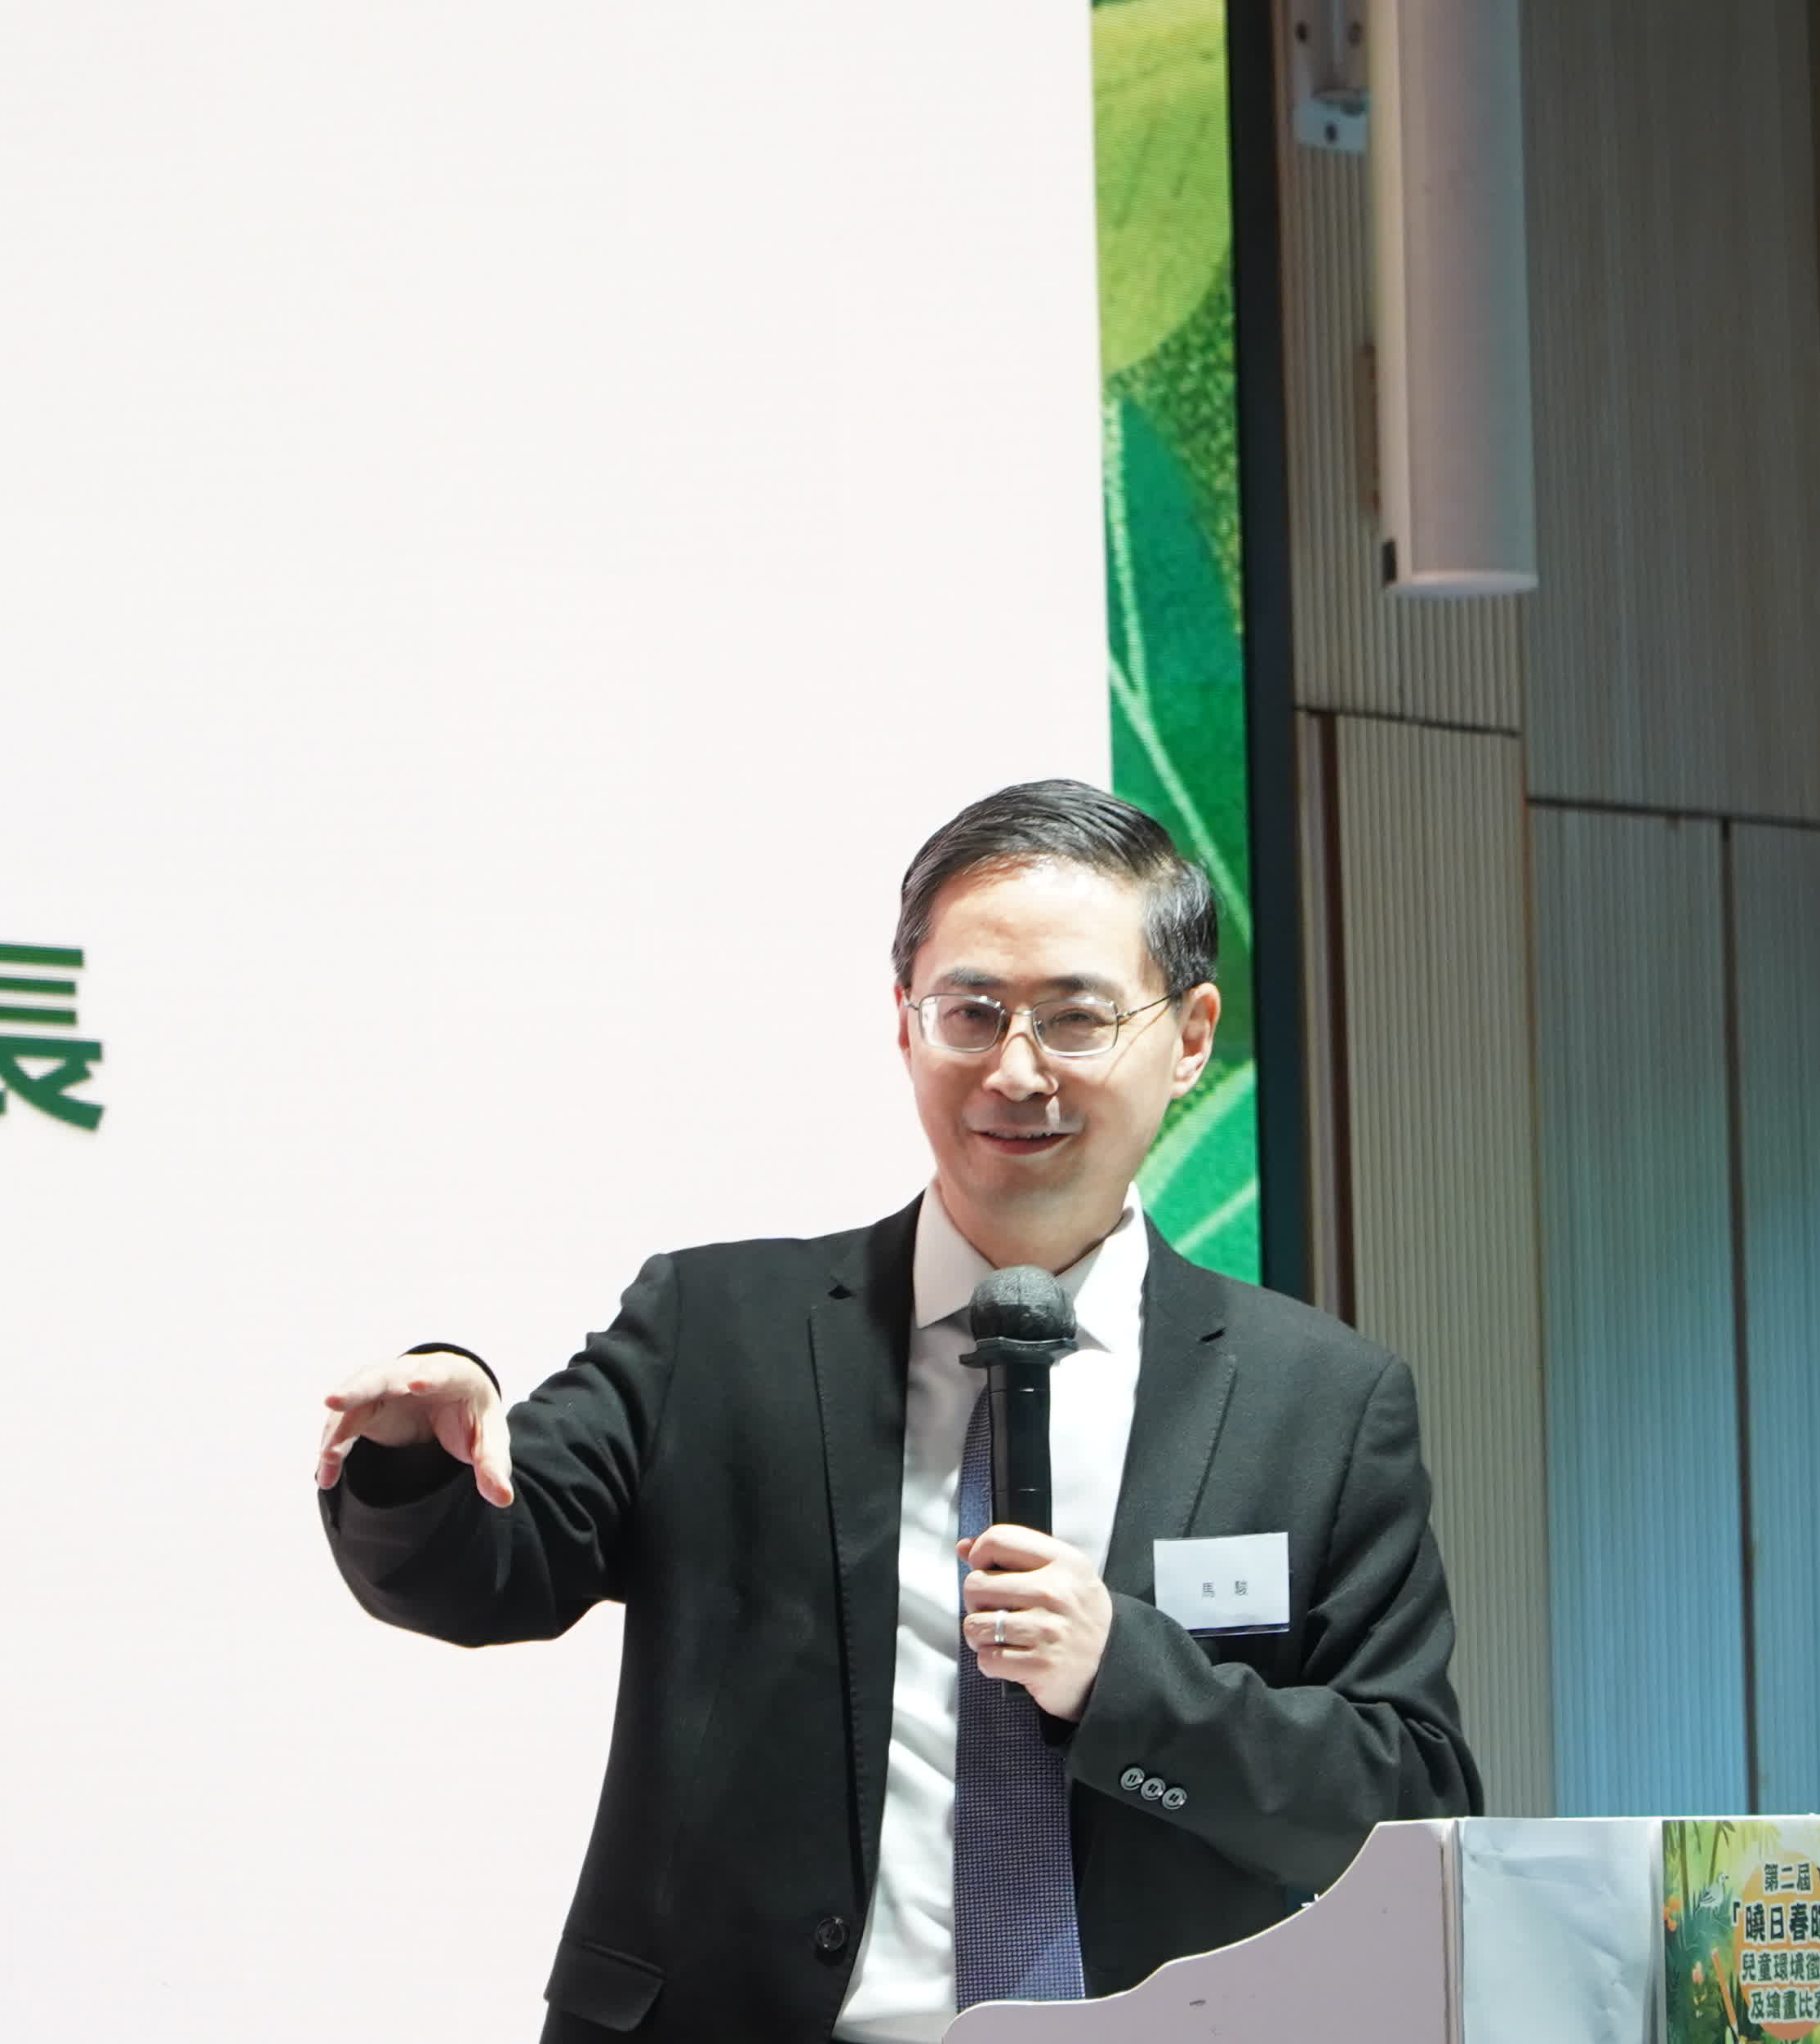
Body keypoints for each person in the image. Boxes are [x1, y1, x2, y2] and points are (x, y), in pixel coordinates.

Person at [316, 780, 1480, 2042]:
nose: (1015, 1070)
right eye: (970, 1013)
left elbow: (1403, 1803)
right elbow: (483, 1569)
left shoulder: (1321, 1400)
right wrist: (415, 1456)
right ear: (904, 1022)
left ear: (1190, 1036)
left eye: (1076, 1018)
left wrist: (1124, 1678)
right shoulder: (717, 1330)